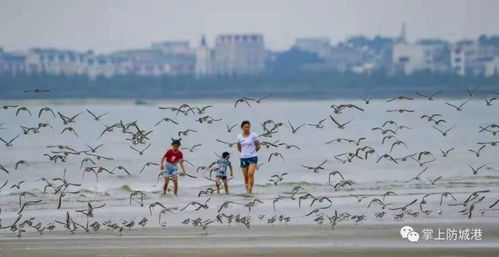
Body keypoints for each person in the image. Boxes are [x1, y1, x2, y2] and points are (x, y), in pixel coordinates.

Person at [236, 120, 260, 194]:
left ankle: (250, 189)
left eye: (248, 127)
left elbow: (258, 145)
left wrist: (253, 152)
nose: (247, 128)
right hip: (243, 158)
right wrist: (244, 153)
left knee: (250, 174)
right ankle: (247, 190)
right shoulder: (239, 137)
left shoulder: (254, 135)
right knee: (246, 176)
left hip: (253, 157)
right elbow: (239, 148)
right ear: (242, 127)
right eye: (245, 127)